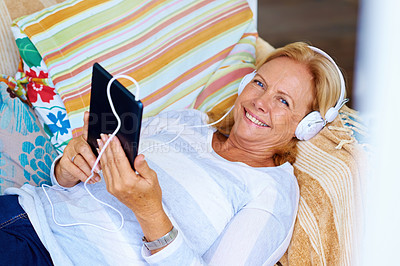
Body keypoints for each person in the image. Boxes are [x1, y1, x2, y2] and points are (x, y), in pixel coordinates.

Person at [0, 41, 345, 265]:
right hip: (22, 208)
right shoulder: (188, 122)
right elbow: (68, 183)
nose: (259, 102)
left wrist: (150, 212)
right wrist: (67, 167)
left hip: (51, 256)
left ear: (307, 126)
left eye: (283, 101)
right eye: (259, 83)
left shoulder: (269, 197)